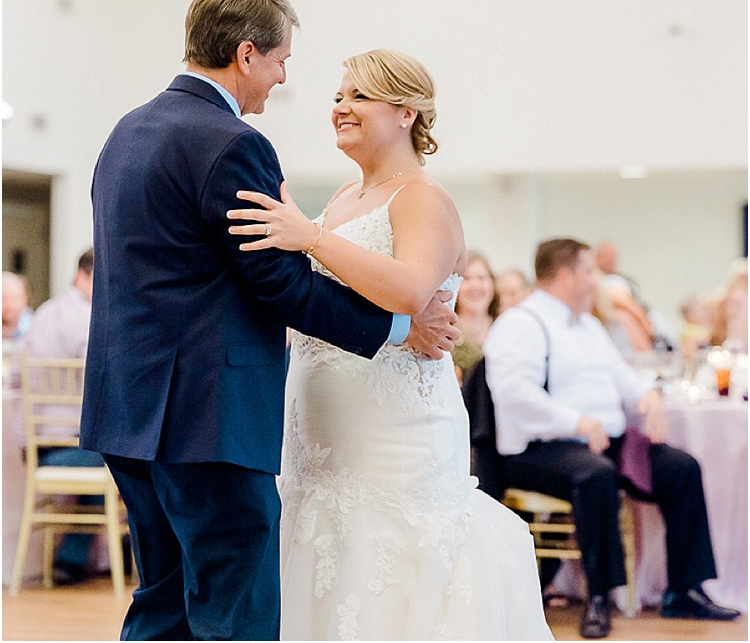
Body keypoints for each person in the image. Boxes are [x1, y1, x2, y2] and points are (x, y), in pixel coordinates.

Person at [80, 0, 459, 643]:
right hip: (205, 418)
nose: (283, 79)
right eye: (282, 60)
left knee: (163, 602)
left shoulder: (126, 132)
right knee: (236, 613)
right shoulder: (231, 143)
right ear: (247, 54)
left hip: (129, 411)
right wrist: (401, 326)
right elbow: (279, 284)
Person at [227, 49, 553, 641]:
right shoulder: (343, 201)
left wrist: (312, 237)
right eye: (337, 97)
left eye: (358, 97)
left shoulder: (423, 198)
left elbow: (407, 290)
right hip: (321, 439)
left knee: (392, 578)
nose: (340, 109)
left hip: (396, 435)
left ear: (405, 113)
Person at [483, 238, 740, 639]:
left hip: (602, 442)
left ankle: (685, 590)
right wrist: (577, 422)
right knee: (595, 474)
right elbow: (515, 394)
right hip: (541, 449)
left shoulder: (586, 324)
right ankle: (599, 596)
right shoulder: (521, 323)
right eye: (590, 271)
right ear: (565, 275)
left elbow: (620, 376)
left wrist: (647, 394)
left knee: (681, 467)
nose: (596, 281)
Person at [21, 248, 101, 584]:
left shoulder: (46, 311)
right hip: (65, 444)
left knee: (113, 450)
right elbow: (102, 376)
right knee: (127, 454)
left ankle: (74, 559)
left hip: (36, 441)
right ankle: (129, 555)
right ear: (84, 275)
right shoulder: (86, 319)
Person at [452, 251, 499, 383]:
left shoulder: (506, 329)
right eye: (466, 279)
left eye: (481, 278)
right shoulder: (443, 332)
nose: (475, 286)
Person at [2, 271, 33, 340]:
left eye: (13, 299)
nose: (9, 305)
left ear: (25, 299)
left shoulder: (35, 326)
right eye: (3, 299)